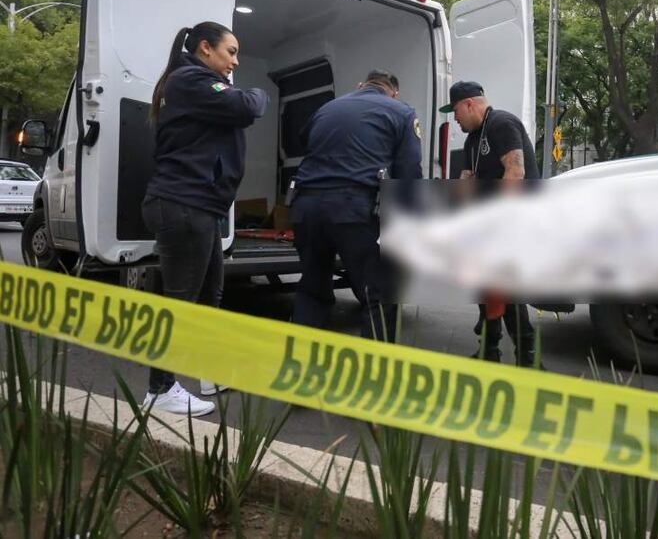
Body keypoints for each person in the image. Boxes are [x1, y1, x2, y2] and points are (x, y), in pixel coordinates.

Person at [142, 22, 269, 416]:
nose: (234, 60)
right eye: (230, 52)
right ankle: (159, 390)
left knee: (210, 293)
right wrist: (260, 90)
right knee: (181, 301)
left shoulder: (196, 82)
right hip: (183, 203)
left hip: (200, 206)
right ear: (204, 48)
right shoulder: (190, 80)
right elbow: (247, 106)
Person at [290, 70, 422, 341]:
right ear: (393, 92)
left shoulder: (327, 108)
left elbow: (304, 141)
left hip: (307, 208)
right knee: (379, 295)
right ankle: (375, 376)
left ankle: (300, 364)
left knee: (312, 290)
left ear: (361, 85)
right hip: (355, 209)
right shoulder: (401, 111)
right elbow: (408, 171)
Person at [440, 81, 542, 366]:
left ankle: (528, 357)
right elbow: (466, 181)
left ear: (470, 103)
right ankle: (489, 350)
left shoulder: (502, 124)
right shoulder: (473, 139)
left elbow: (515, 171)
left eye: (456, 110)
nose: (454, 117)